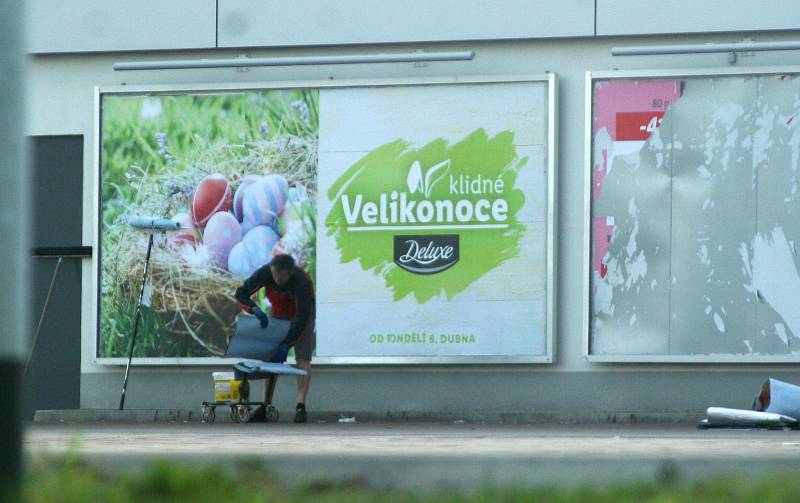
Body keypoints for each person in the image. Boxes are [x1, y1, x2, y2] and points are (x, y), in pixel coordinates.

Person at [234, 253, 315, 423]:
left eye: (282, 276)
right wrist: (254, 309)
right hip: (278, 315)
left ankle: (301, 407)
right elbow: (241, 293)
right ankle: (265, 405)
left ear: (290, 273)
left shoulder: (302, 282)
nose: (277, 279)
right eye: (275, 275)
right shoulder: (265, 273)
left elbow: (302, 320)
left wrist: (287, 343)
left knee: (303, 360)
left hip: (301, 319)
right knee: (271, 362)